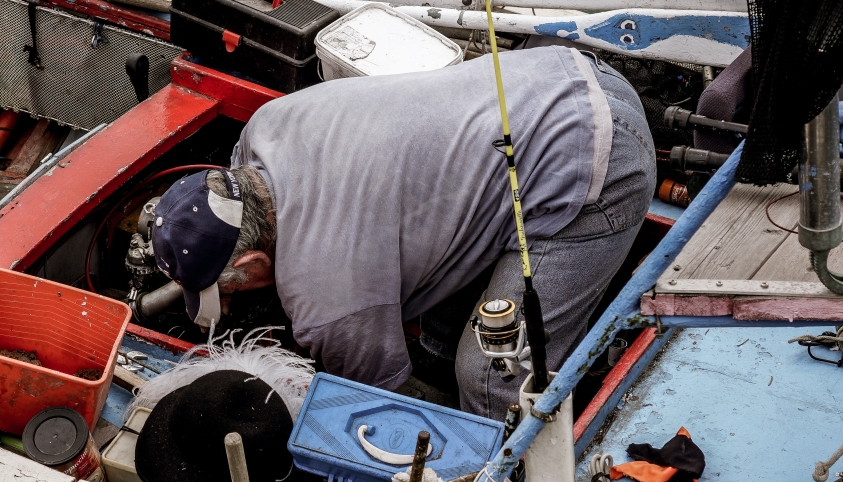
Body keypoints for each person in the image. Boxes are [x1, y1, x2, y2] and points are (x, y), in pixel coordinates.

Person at [149, 45, 654, 419]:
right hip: (562, 70)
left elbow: (377, 403)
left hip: (596, 162)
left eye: (229, 291)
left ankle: (511, 480)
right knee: (434, 301)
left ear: (251, 264)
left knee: (490, 374)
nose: (232, 304)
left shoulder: (330, 298)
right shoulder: (263, 128)